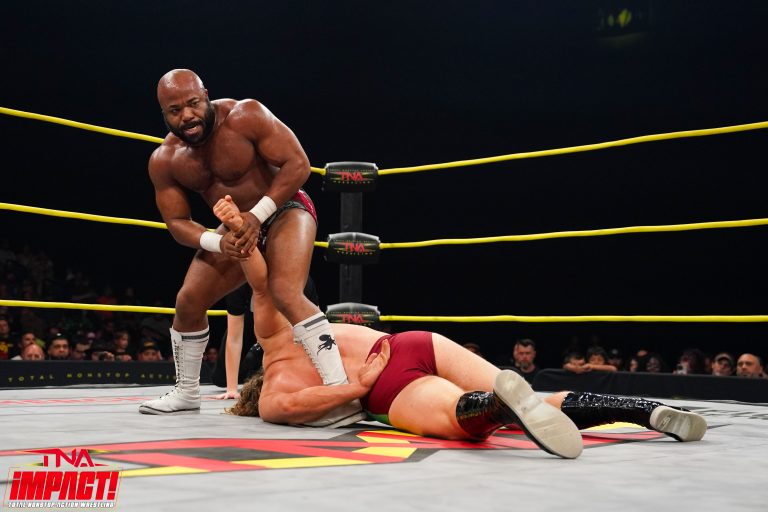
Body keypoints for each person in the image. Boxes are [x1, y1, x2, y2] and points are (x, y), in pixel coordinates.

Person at [216, 198, 706, 459]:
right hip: (410, 342)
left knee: (460, 418)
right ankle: (644, 410)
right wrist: (239, 226)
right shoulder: (284, 328)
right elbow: (262, 281)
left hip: (385, 381)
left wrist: (359, 386)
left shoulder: (274, 378)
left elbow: (295, 405)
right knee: (539, 401)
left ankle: (498, 404)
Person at [139, 69, 358, 424]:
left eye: (193, 104)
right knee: (188, 301)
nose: (187, 116)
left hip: (285, 207)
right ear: (163, 113)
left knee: (285, 291)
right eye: (175, 111)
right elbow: (177, 222)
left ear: (205, 95)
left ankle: (340, 391)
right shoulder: (166, 159)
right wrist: (218, 242)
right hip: (235, 227)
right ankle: (186, 392)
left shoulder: (246, 115)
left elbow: (298, 164)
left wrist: (257, 215)